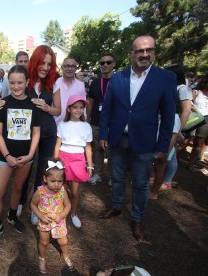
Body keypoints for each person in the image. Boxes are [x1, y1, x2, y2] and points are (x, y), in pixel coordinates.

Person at [98, 35, 176, 242]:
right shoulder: (118, 77)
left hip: (144, 141)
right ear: (131, 53)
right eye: (139, 51)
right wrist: (104, 133)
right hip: (117, 138)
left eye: (148, 50)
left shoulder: (165, 78)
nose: (144, 54)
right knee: (117, 177)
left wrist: (163, 146)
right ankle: (116, 207)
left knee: (141, 183)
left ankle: (137, 218)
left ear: (153, 52)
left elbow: (168, 116)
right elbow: (107, 108)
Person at [0, 65, 41, 240]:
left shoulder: (34, 105)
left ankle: (12, 216)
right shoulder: (3, 104)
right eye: (12, 82)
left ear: (27, 82)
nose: (16, 86)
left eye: (20, 82)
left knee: (18, 188)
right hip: (5, 157)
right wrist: (7, 156)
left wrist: (30, 155)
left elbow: (36, 133)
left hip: (26, 158)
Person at [21, 45, 61, 224]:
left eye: (49, 64)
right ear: (35, 62)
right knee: (25, 168)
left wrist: (46, 107)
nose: (45, 67)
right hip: (26, 133)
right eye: (42, 63)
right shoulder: (25, 80)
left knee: (42, 171)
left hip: (48, 133)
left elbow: (58, 110)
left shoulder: (54, 83)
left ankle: (35, 205)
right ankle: (20, 200)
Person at [150, 64, 193, 198]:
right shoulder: (166, 87)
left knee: (164, 157)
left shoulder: (183, 89)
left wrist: (180, 130)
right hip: (159, 121)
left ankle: (161, 185)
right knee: (159, 156)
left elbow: (186, 110)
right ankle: (155, 181)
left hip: (172, 124)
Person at [54, 95, 93, 228]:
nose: (78, 110)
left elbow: (88, 148)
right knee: (61, 189)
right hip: (63, 158)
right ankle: (60, 212)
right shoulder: (62, 125)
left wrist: (90, 166)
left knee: (75, 191)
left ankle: (73, 213)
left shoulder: (86, 126)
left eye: (81, 107)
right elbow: (57, 145)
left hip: (78, 159)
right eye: (75, 107)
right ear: (69, 109)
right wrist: (55, 162)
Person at [30, 158, 74, 274]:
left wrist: (62, 215)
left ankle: (66, 255)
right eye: (52, 181)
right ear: (45, 179)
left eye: (59, 181)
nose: (56, 184)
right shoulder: (40, 192)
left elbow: (68, 205)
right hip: (44, 222)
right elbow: (33, 205)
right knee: (44, 242)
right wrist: (40, 216)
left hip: (59, 221)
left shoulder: (62, 191)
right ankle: (42, 259)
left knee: (63, 242)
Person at [87, 53, 116, 185]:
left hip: (113, 123)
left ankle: (112, 177)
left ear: (113, 64)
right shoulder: (95, 82)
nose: (105, 65)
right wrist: (87, 119)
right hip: (96, 121)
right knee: (97, 149)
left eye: (108, 62)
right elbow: (91, 102)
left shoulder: (118, 81)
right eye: (102, 62)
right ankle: (97, 174)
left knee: (112, 151)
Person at [55, 57, 86, 125]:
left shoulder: (81, 85)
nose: (70, 69)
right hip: (57, 124)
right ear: (62, 67)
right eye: (67, 66)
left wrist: (84, 122)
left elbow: (83, 106)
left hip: (74, 125)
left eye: (73, 66)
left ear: (76, 68)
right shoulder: (55, 83)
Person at [188, 75, 208, 171]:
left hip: (206, 119)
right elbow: (188, 102)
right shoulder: (196, 91)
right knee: (185, 140)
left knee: (199, 143)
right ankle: (174, 159)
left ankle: (191, 163)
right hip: (193, 117)